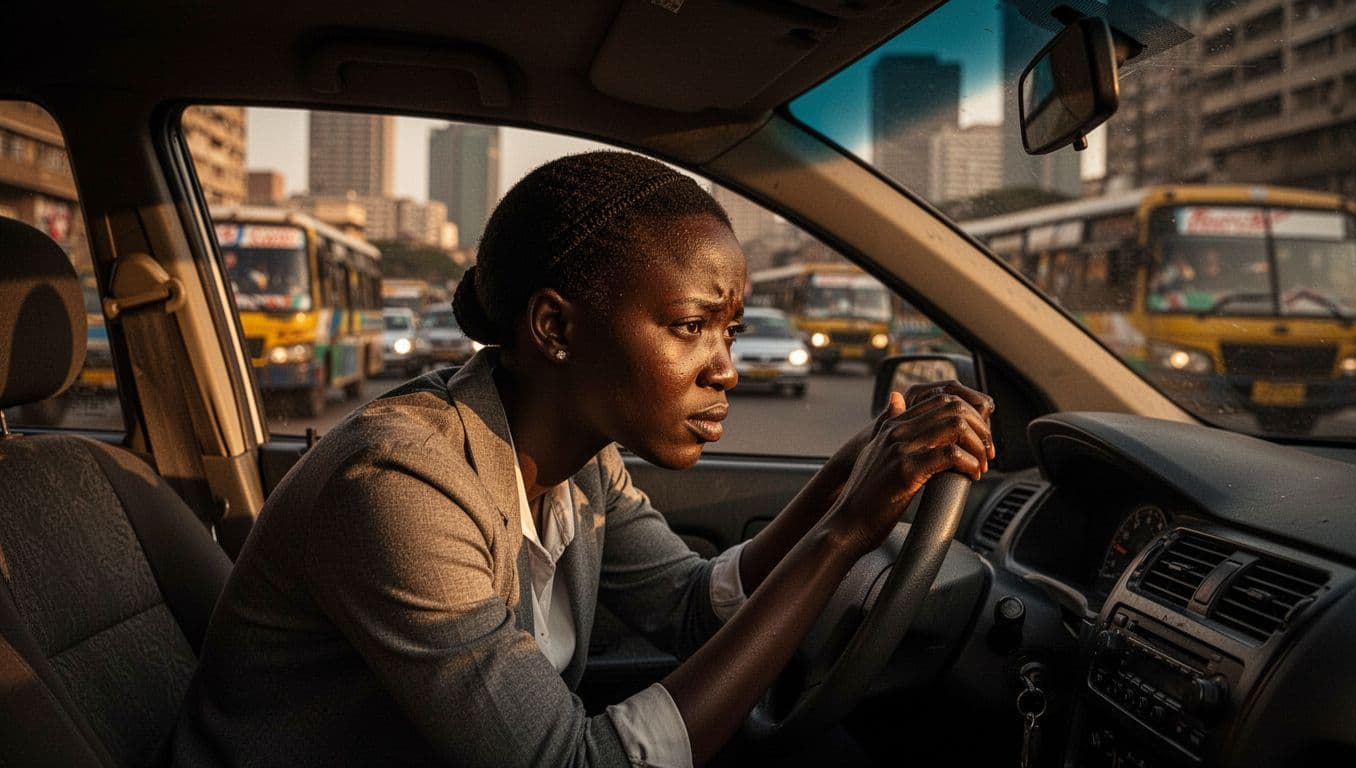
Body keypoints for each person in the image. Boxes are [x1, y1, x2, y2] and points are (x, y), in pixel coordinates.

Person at [170, 151, 994, 767]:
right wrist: (845, 534)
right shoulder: (400, 484)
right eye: (688, 327)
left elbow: (691, 608)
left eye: (730, 332)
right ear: (556, 329)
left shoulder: (581, 464)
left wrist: (843, 477)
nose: (727, 368)